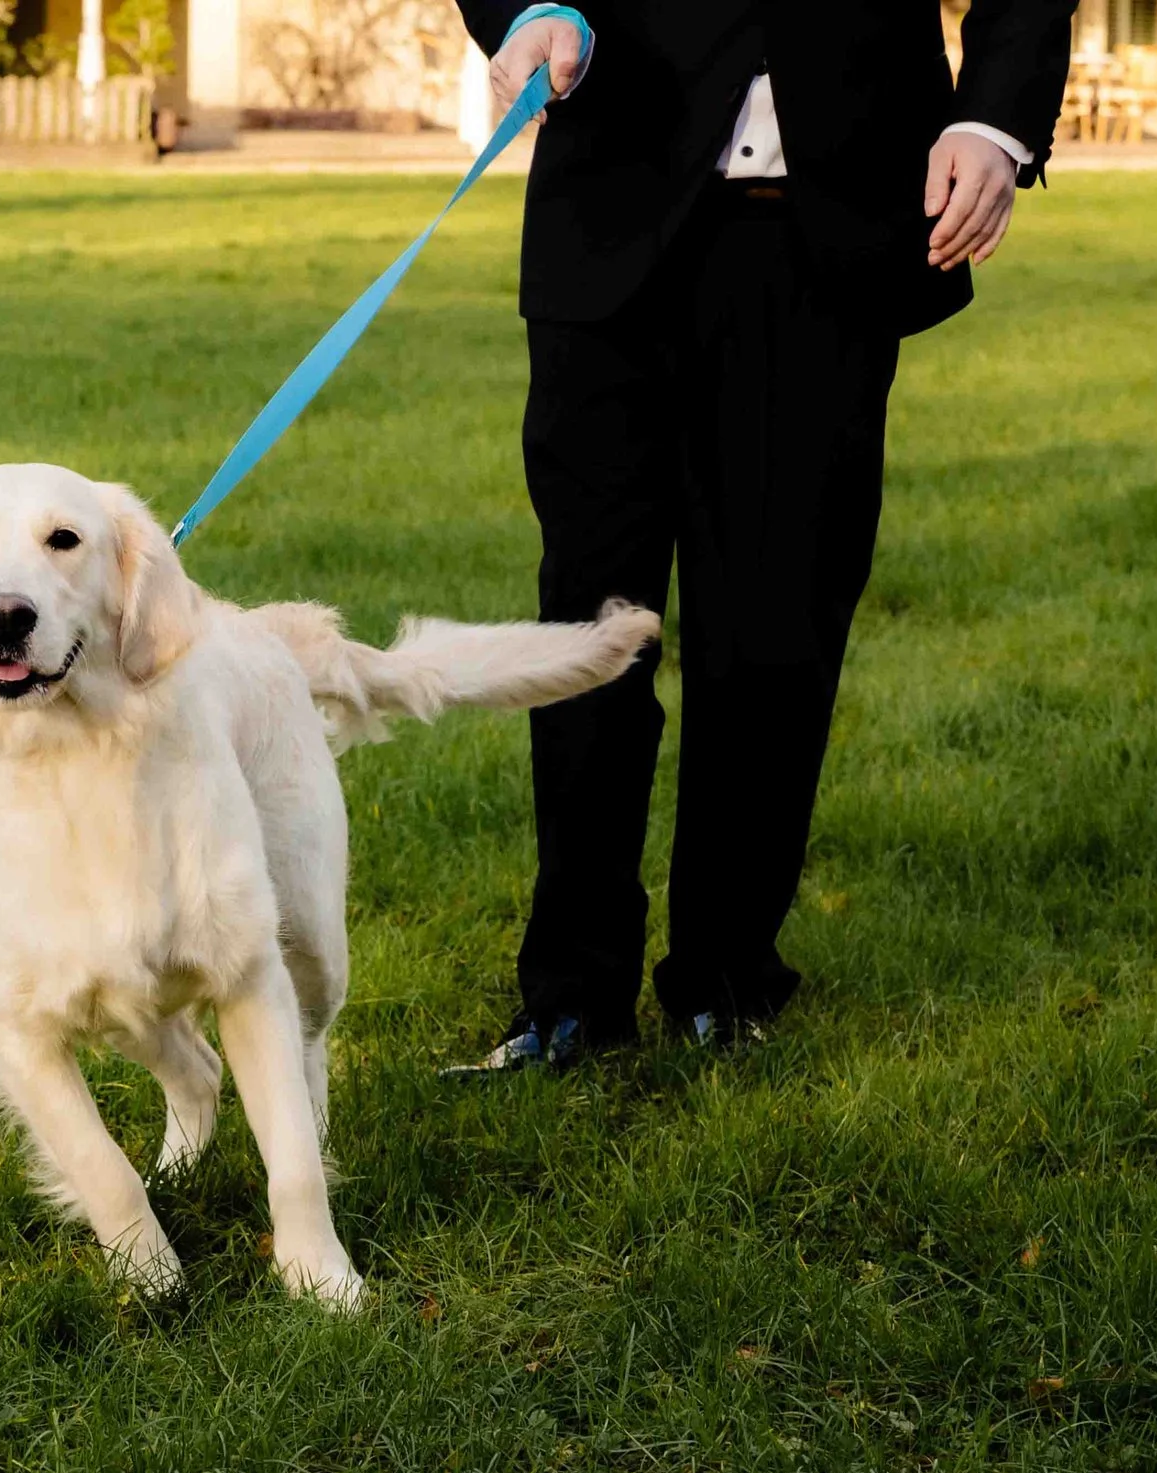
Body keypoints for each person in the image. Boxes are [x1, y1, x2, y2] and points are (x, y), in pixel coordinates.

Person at [445, 0, 1077, 1073]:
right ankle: (568, 997)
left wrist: (994, 122)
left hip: (824, 238)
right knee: (586, 632)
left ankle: (728, 982)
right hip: (611, 216)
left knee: (777, 628)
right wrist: (530, 9)